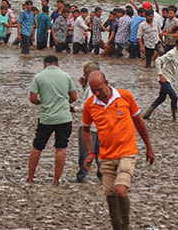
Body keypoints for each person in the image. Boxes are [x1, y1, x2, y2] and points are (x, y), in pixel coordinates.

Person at [80, 71, 155, 230]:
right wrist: (90, 152)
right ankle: (117, 227)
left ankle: (125, 225)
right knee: (110, 195)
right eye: (93, 90)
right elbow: (85, 130)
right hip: (106, 156)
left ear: (107, 82)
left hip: (127, 152)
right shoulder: (90, 105)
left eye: (99, 89)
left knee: (120, 190)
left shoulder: (125, 97)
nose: (97, 93)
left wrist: (149, 147)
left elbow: (140, 123)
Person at [27, 55, 78, 186]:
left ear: (45, 64)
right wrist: (64, 102)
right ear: (57, 64)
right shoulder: (66, 76)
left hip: (46, 117)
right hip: (64, 118)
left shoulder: (39, 77)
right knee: (61, 148)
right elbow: (74, 97)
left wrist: (43, 101)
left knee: (37, 146)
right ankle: (55, 181)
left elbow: (33, 99)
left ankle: (30, 178)